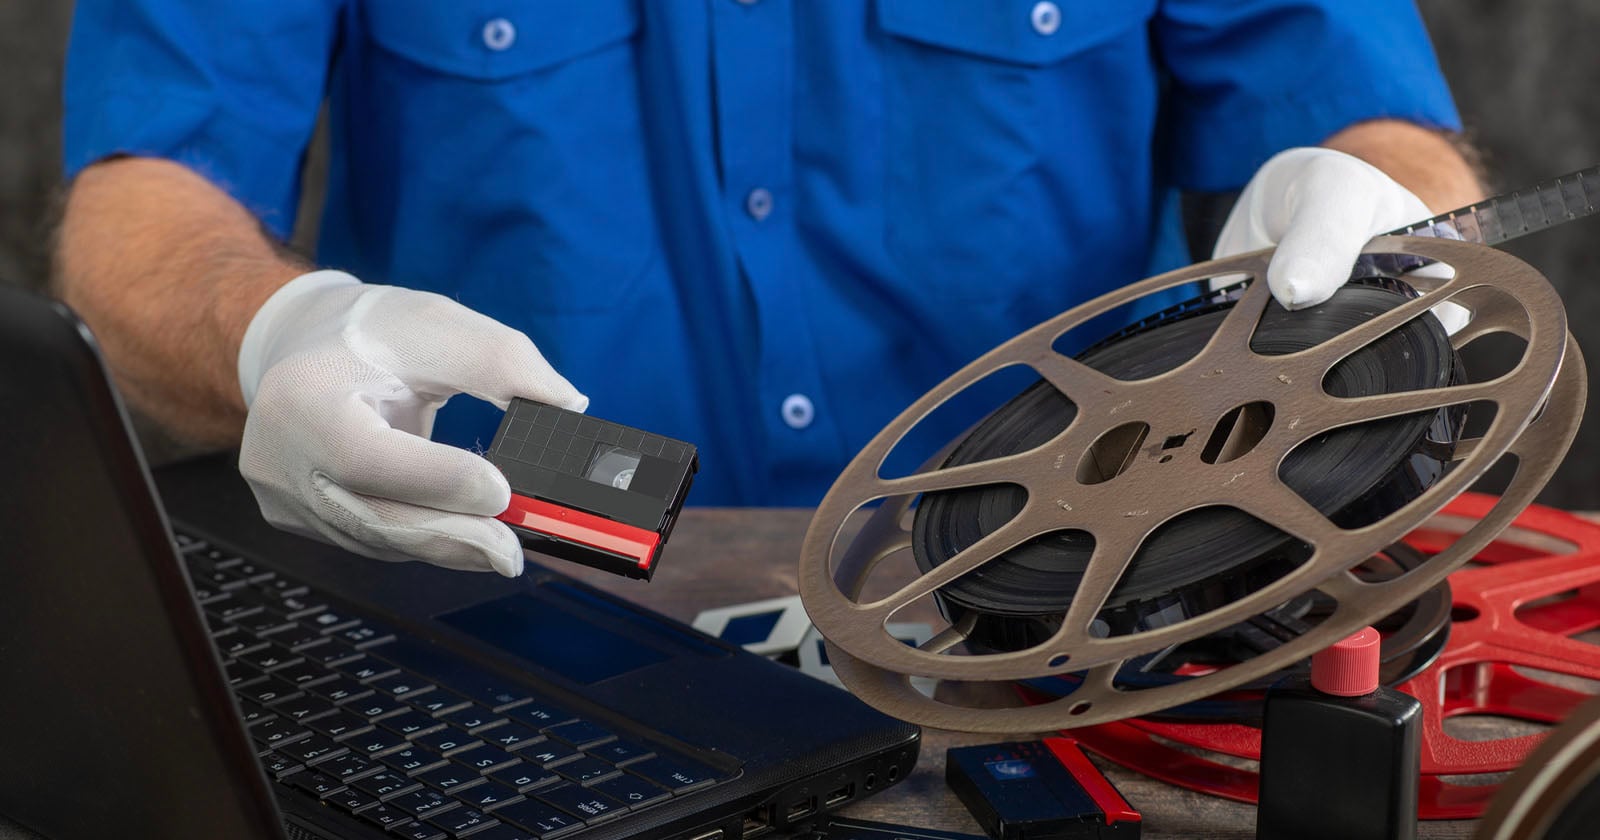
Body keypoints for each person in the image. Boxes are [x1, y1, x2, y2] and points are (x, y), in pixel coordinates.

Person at [57, 1, 1483, 578]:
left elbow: (1375, 120)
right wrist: (278, 334)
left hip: (1056, 605)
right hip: (505, 600)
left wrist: (1386, 210)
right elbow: (141, 198)